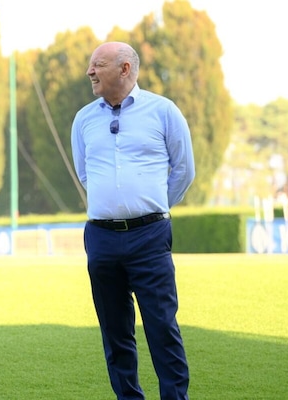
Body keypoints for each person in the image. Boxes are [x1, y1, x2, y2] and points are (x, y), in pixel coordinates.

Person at [70, 41, 196, 400]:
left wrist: (152, 207)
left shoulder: (163, 111)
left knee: (162, 328)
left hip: (150, 237)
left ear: (125, 68)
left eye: (98, 64)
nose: (90, 72)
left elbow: (184, 170)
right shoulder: (83, 119)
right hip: (101, 237)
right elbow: (85, 173)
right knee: (115, 333)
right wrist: (114, 204)